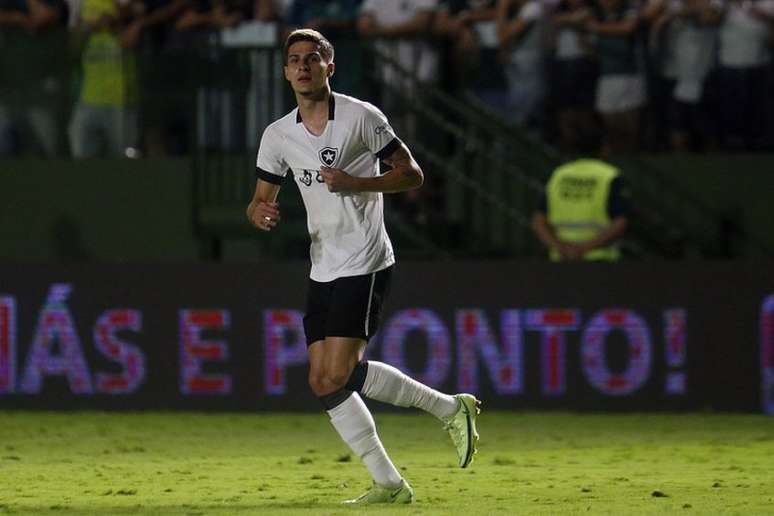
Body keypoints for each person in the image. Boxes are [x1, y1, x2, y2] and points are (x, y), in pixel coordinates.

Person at [245, 29, 481, 504]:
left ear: (330, 66)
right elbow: (259, 200)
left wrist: (355, 181)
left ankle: (439, 421)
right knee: (323, 381)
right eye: (294, 60)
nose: (303, 66)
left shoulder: (361, 117)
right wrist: (260, 213)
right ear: (285, 71)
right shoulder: (278, 135)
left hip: (366, 258)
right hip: (322, 265)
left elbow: (412, 174)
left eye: (313, 58)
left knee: (336, 373)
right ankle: (401, 471)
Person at [532, 155, 630, 261]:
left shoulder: (559, 174)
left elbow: (538, 221)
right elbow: (621, 222)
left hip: (561, 260)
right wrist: (582, 249)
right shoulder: (610, 175)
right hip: (601, 261)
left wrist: (561, 248)